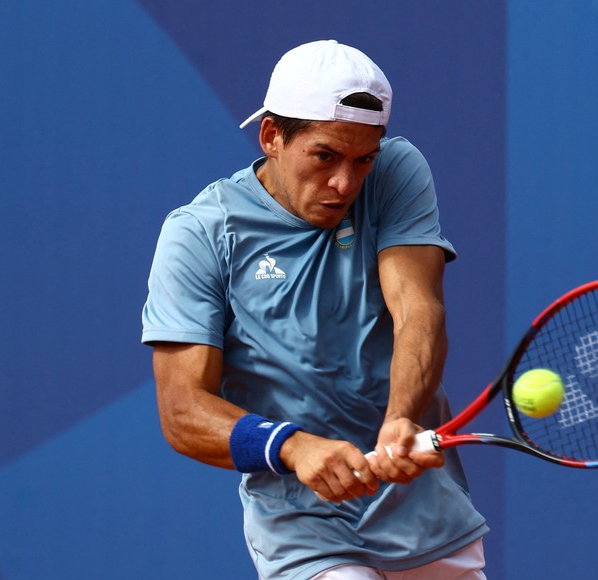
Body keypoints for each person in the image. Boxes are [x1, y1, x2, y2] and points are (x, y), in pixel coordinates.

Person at [142, 40, 488, 579]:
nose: (345, 183)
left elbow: (417, 309)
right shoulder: (200, 233)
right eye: (325, 156)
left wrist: (399, 418)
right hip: (305, 531)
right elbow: (182, 411)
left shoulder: (396, 171)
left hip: (426, 517)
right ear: (272, 137)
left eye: (363, 159)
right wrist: (292, 447)